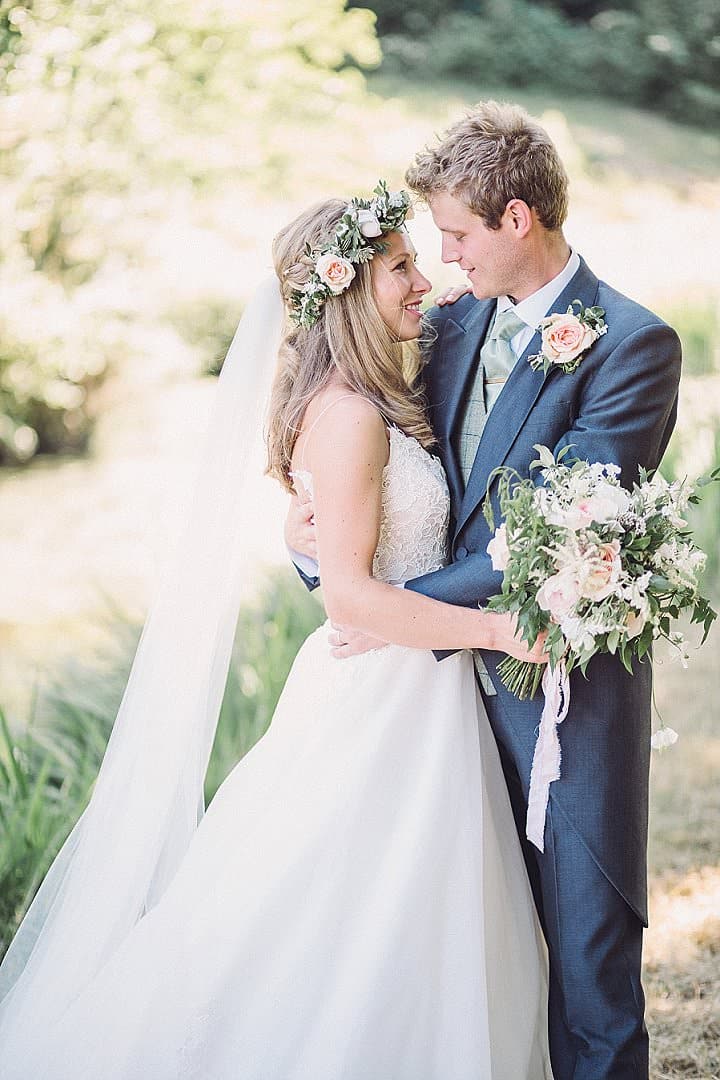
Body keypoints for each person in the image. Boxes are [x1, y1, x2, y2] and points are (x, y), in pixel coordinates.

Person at [0, 184, 552, 1078]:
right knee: (333, 915)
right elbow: (352, 600)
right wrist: (499, 629)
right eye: (400, 267)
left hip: (415, 691)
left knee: (407, 915)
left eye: (420, 259)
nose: (424, 280)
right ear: (344, 291)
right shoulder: (349, 417)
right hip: (383, 695)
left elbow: (356, 557)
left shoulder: (365, 394)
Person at [287, 103, 682, 1079]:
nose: (445, 262)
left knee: (588, 952)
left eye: (458, 236)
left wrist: (393, 606)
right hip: (420, 706)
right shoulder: (448, 323)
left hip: (554, 688)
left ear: (518, 221)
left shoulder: (633, 344)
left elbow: (555, 525)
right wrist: (319, 559)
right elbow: (346, 449)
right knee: (441, 942)